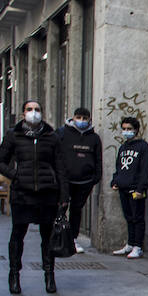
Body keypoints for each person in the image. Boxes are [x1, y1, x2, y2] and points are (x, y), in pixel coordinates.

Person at [0, 99, 68, 294]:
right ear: (22, 114)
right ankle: (14, 275)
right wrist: (15, 175)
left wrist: (64, 195)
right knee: (17, 236)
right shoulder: (14, 135)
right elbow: (0, 162)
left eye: (37, 109)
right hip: (22, 194)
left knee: (48, 238)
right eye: (29, 109)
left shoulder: (51, 137)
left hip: (47, 194)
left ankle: (49, 276)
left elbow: (60, 167)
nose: (33, 113)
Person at [59, 106, 102, 253]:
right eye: (79, 118)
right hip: (65, 180)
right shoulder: (63, 133)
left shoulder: (94, 138)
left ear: (89, 119)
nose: (82, 121)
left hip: (84, 182)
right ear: (73, 118)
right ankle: (58, 238)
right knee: (61, 207)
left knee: (77, 210)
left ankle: (73, 239)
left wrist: (95, 178)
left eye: (85, 118)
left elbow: (98, 159)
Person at [110, 116, 148, 259]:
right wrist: (115, 181)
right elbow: (119, 167)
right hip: (123, 188)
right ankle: (130, 243)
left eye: (129, 129)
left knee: (137, 217)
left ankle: (138, 247)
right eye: (124, 129)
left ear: (136, 130)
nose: (126, 131)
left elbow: (146, 169)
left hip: (136, 190)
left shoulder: (142, 147)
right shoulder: (122, 147)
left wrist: (141, 188)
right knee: (128, 217)